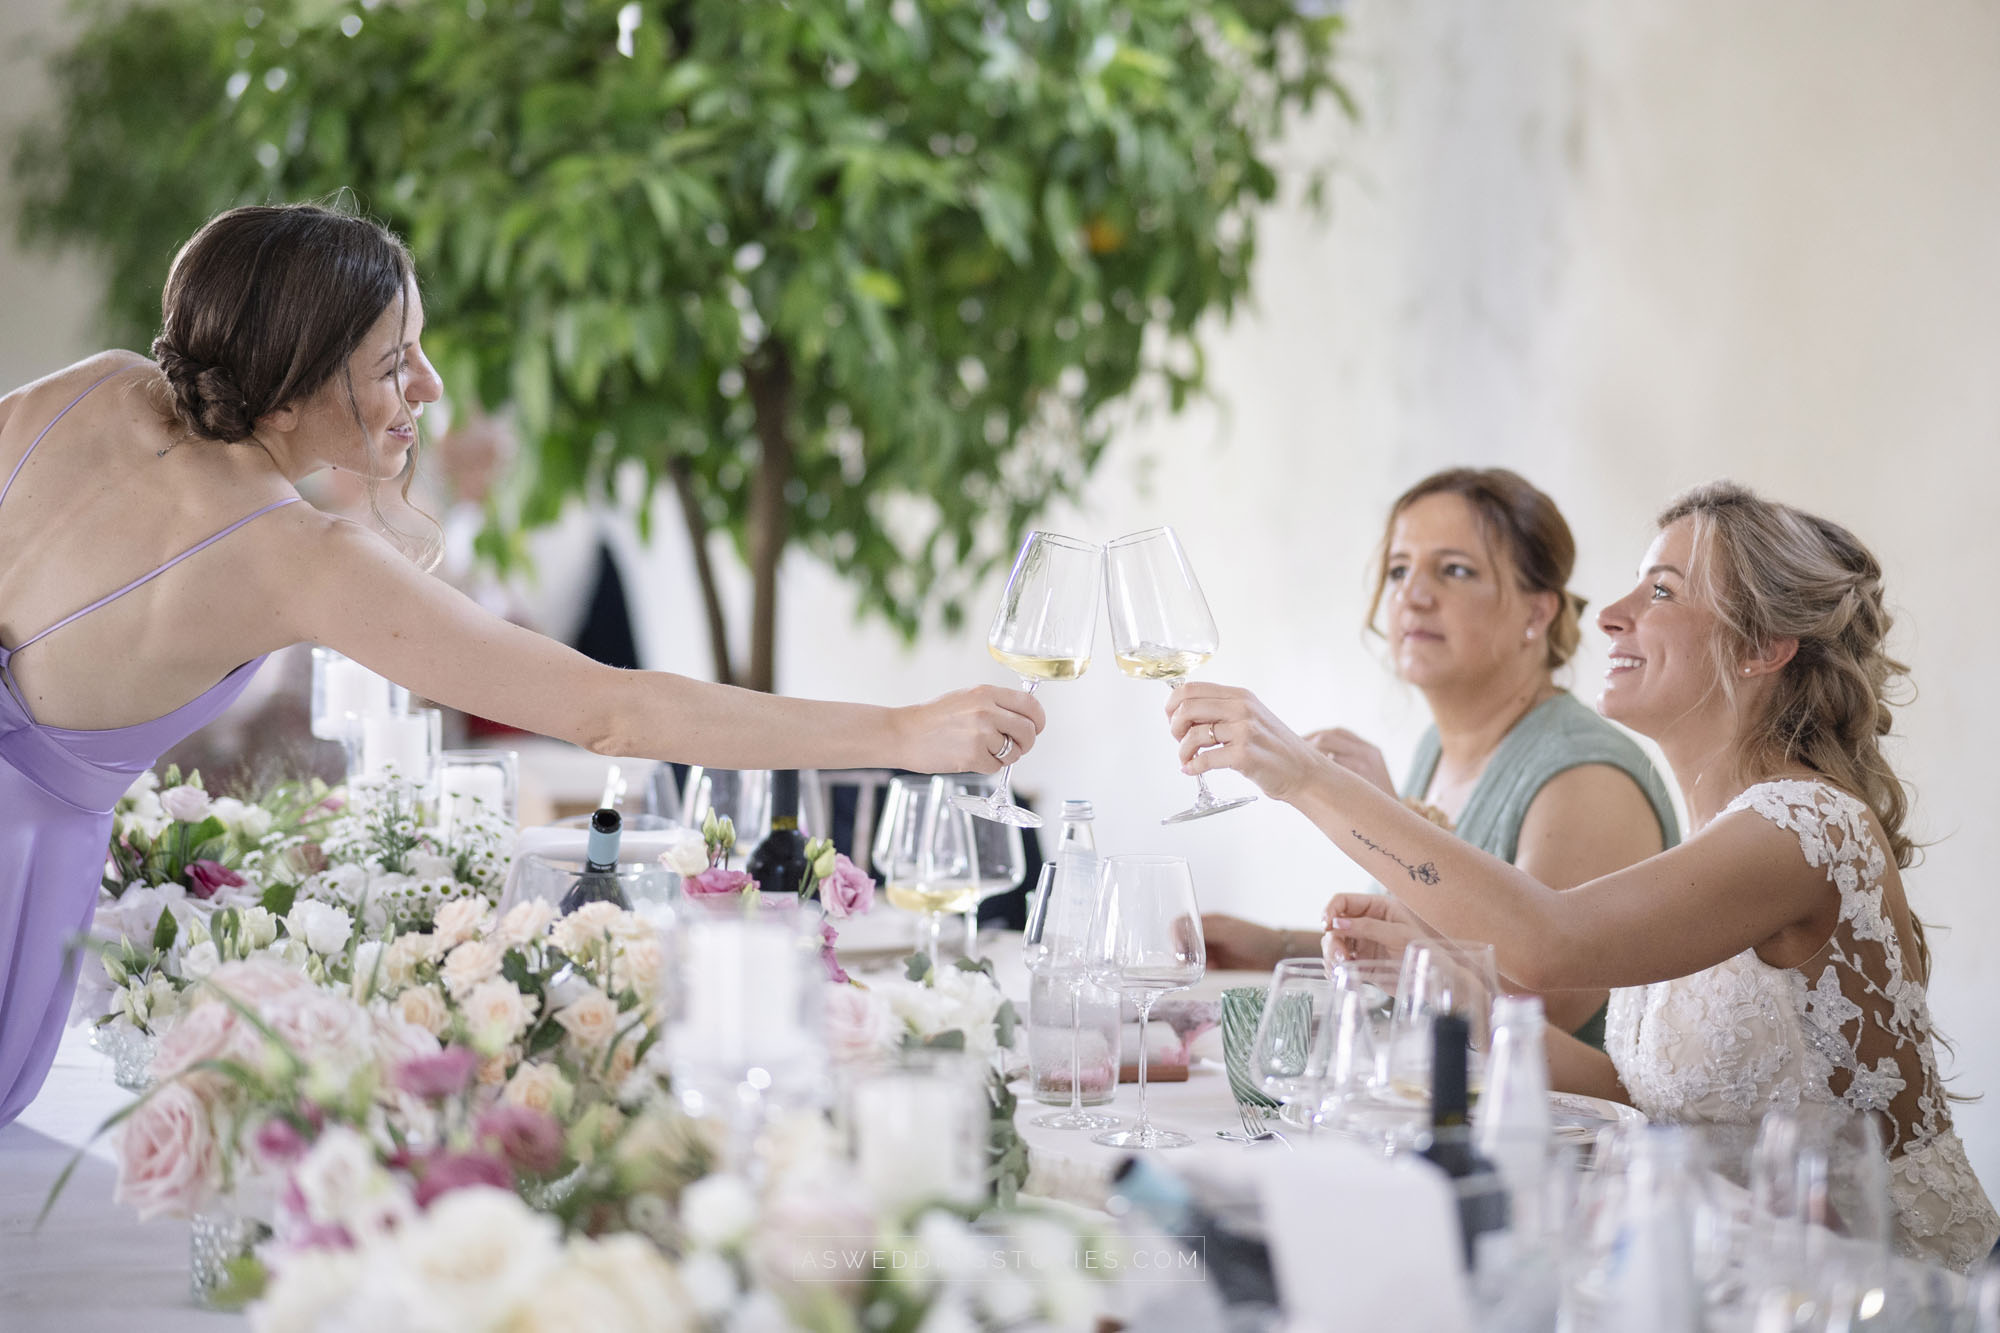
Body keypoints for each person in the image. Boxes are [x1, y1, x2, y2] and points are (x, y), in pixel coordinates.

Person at [0, 203, 1044, 1125]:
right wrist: (904, 733)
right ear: (284, 396)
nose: (430, 384)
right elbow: (609, 713)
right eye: (389, 362)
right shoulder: (295, 557)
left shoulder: (93, 387)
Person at [1169, 481, 1999, 1271]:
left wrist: (1307, 778)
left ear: (1762, 647)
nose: (1607, 615)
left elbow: (1550, 942)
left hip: (1871, 1282)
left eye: (1663, 591)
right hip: (1727, 1255)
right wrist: (1474, 1003)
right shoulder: (1725, 836)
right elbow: (1643, 1095)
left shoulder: (1807, 827)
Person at [1201, 468, 1678, 1049]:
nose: (1413, 595)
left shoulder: (1587, 776)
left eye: (1455, 570)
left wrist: (1373, 817)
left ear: (1537, 613)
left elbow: (1531, 1004)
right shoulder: (1437, 747)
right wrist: (1276, 946)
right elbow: (1432, 954)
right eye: (1400, 570)